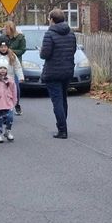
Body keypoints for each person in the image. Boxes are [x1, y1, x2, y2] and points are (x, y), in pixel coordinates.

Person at [40, 8, 77, 139]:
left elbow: (45, 54)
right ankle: (63, 124)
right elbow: (73, 50)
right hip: (67, 70)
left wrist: (41, 51)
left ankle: (62, 130)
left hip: (53, 72)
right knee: (63, 99)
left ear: (52, 20)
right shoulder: (71, 33)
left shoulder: (49, 34)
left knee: (57, 101)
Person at [1, 21, 26, 115]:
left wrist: (12, 52)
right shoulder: (3, 37)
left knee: (15, 86)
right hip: (3, 63)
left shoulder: (20, 38)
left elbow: (22, 50)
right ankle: (4, 106)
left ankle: (16, 103)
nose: (6, 31)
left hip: (14, 62)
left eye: (7, 29)